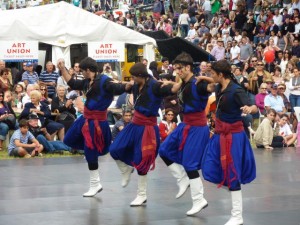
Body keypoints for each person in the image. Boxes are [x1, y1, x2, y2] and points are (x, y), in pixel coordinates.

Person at [57, 57, 132, 197]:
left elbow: (118, 87)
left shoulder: (104, 81)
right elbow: (72, 82)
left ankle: (95, 184)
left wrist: (128, 85)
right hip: (86, 118)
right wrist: (62, 68)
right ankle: (123, 166)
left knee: (91, 152)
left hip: (97, 121)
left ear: (89, 70)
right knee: (68, 139)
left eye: (83, 71)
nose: (81, 74)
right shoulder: (87, 81)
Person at [109, 62, 180, 206]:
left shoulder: (154, 85)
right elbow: (125, 86)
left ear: (142, 76)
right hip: (135, 123)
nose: (133, 79)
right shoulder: (136, 85)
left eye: (134, 77)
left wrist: (177, 79)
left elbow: (173, 88)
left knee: (142, 160)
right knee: (114, 148)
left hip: (148, 126)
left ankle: (141, 195)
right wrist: (122, 83)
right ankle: (126, 170)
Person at [201, 60, 257, 225]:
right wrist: (201, 78)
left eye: (213, 74)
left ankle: (237, 215)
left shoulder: (236, 90)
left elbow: (254, 107)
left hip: (234, 136)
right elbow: (211, 83)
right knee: (209, 165)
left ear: (221, 75)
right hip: (219, 134)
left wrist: (249, 109)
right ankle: (232, 185)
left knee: (232, 172)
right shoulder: (220, 86)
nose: (211, 76)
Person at [159, 52, 213, 215]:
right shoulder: (182, 82)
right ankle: (182, 178)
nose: (177, 71)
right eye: (175, 69)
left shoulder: (199, 84)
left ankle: (199, 200)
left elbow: (217, 85)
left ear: (188, 67)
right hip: (185, 124)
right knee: (163, 150)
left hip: (197, 127)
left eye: (180, 69)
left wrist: (208, 78)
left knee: (190, 164)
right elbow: (174, 85)